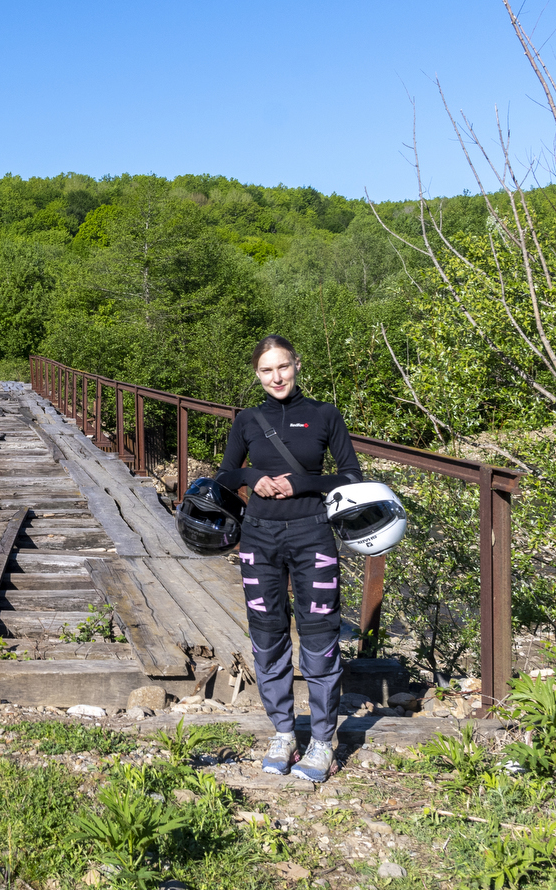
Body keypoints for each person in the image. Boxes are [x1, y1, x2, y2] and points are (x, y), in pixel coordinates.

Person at [215, 334, 361, 782]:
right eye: (266, 370)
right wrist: (253, 478)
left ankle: (321, 740)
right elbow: (225, 476)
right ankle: (283, 732)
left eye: (283, 367)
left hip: (311, 533)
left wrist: (303, 485)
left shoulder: (323, 414)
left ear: (297, 364)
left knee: (319, 634)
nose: (276, 377)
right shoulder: (247, 420)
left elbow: (351, 475)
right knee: (267, 632)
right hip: (258, 537)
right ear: (257, 374)